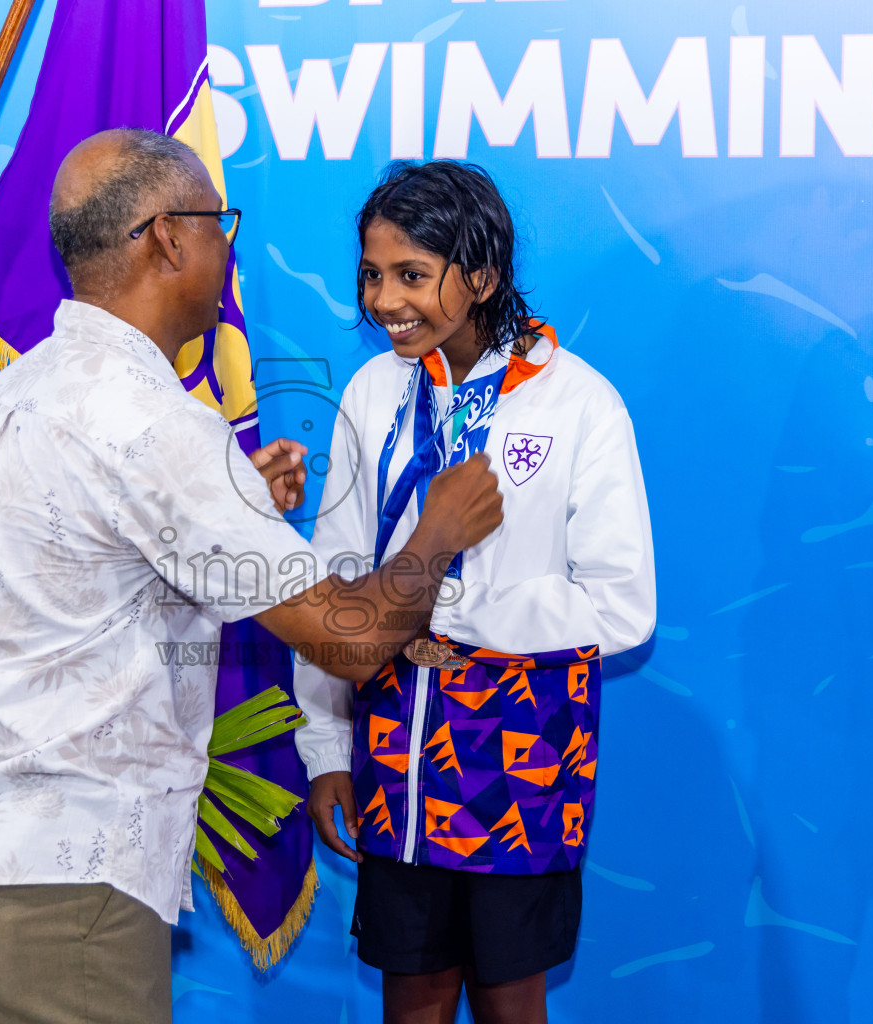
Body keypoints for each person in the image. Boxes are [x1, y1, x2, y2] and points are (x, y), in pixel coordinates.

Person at [0, 128, 504, 1024]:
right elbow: (349, 640)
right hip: (72, 889)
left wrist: (239, 512)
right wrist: (436, 534)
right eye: (218, 222)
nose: (228, 247)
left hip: (21, 871)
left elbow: (99, 570)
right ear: (167, 238)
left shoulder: (23, 387)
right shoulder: (152, 424)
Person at [294, 161, 656, 1024]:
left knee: (509, 1003)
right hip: (394, 761)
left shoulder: (579, 404)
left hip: (521, 763)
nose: (386, 300)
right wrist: (327, 750)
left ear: (482, 276)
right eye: (373, 275)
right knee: (410, 998)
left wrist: (448, 606)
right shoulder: (373, 391)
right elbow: (332, 578)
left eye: (413, 275)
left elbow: (622, 606)